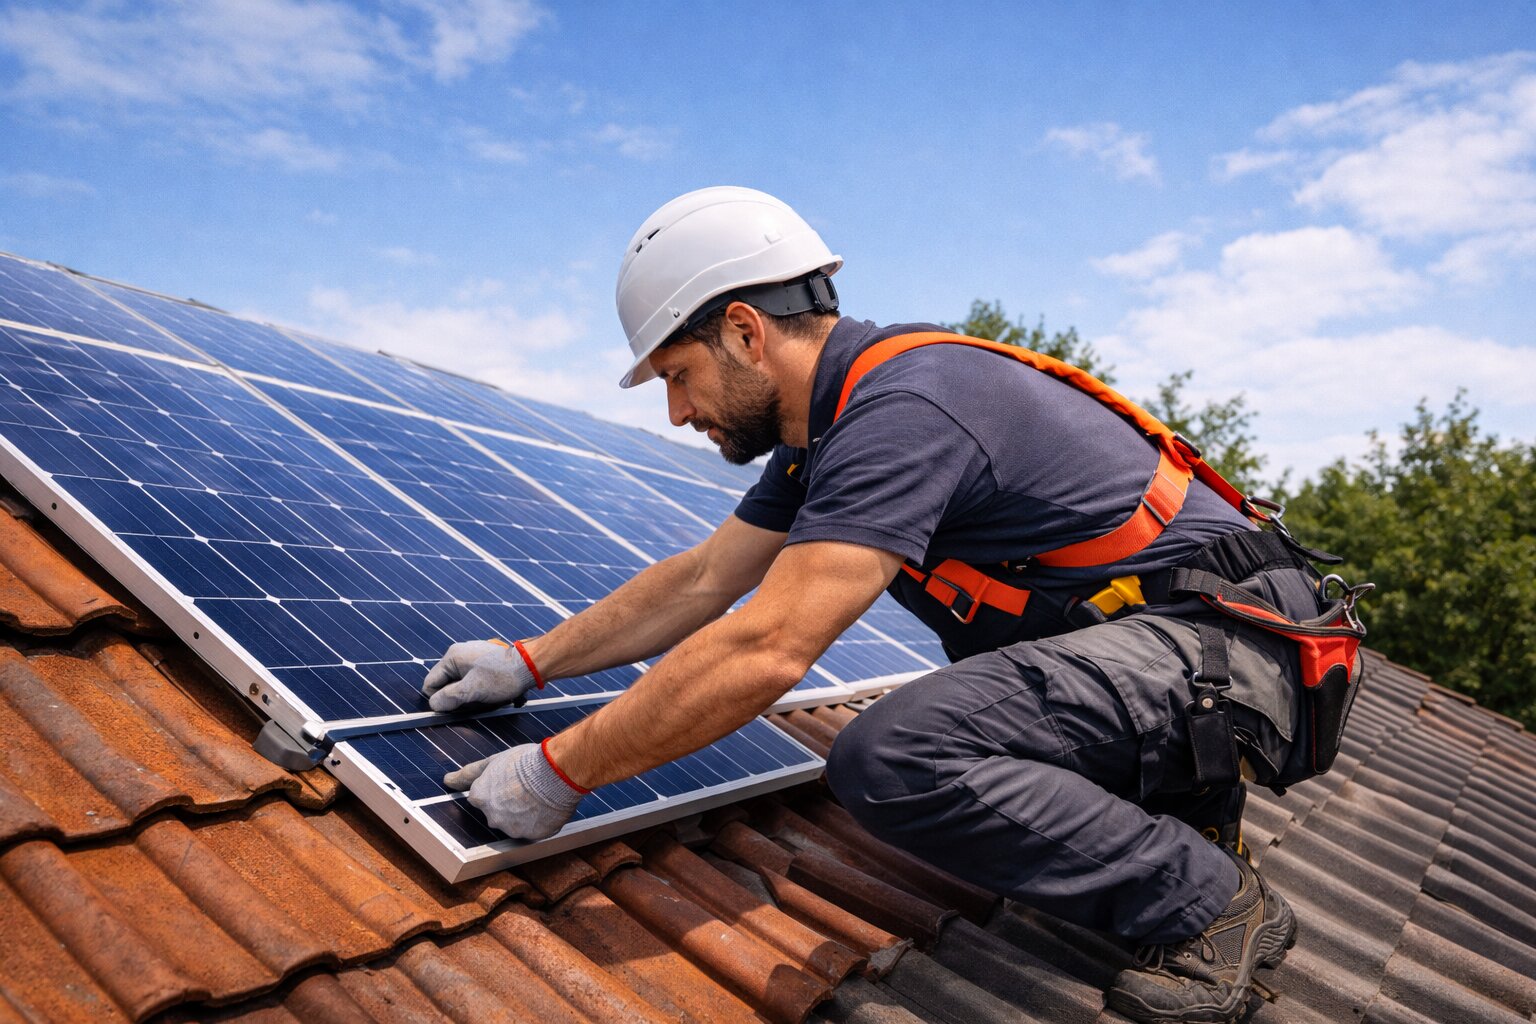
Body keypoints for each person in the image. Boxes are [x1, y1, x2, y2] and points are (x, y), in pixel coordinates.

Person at [422, 186, 1367, 1024]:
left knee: (897, 756)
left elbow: (768, 647)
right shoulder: (828, 430)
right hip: (1173, 654)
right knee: (966, 721)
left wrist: (558, 771)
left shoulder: (906, 409)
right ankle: (1179, 811)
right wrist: (532, 660)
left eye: (677, 374)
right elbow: (709, 577)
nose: (676, 411)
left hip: (1235, 654)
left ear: (746, 332)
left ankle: (1212, 902)